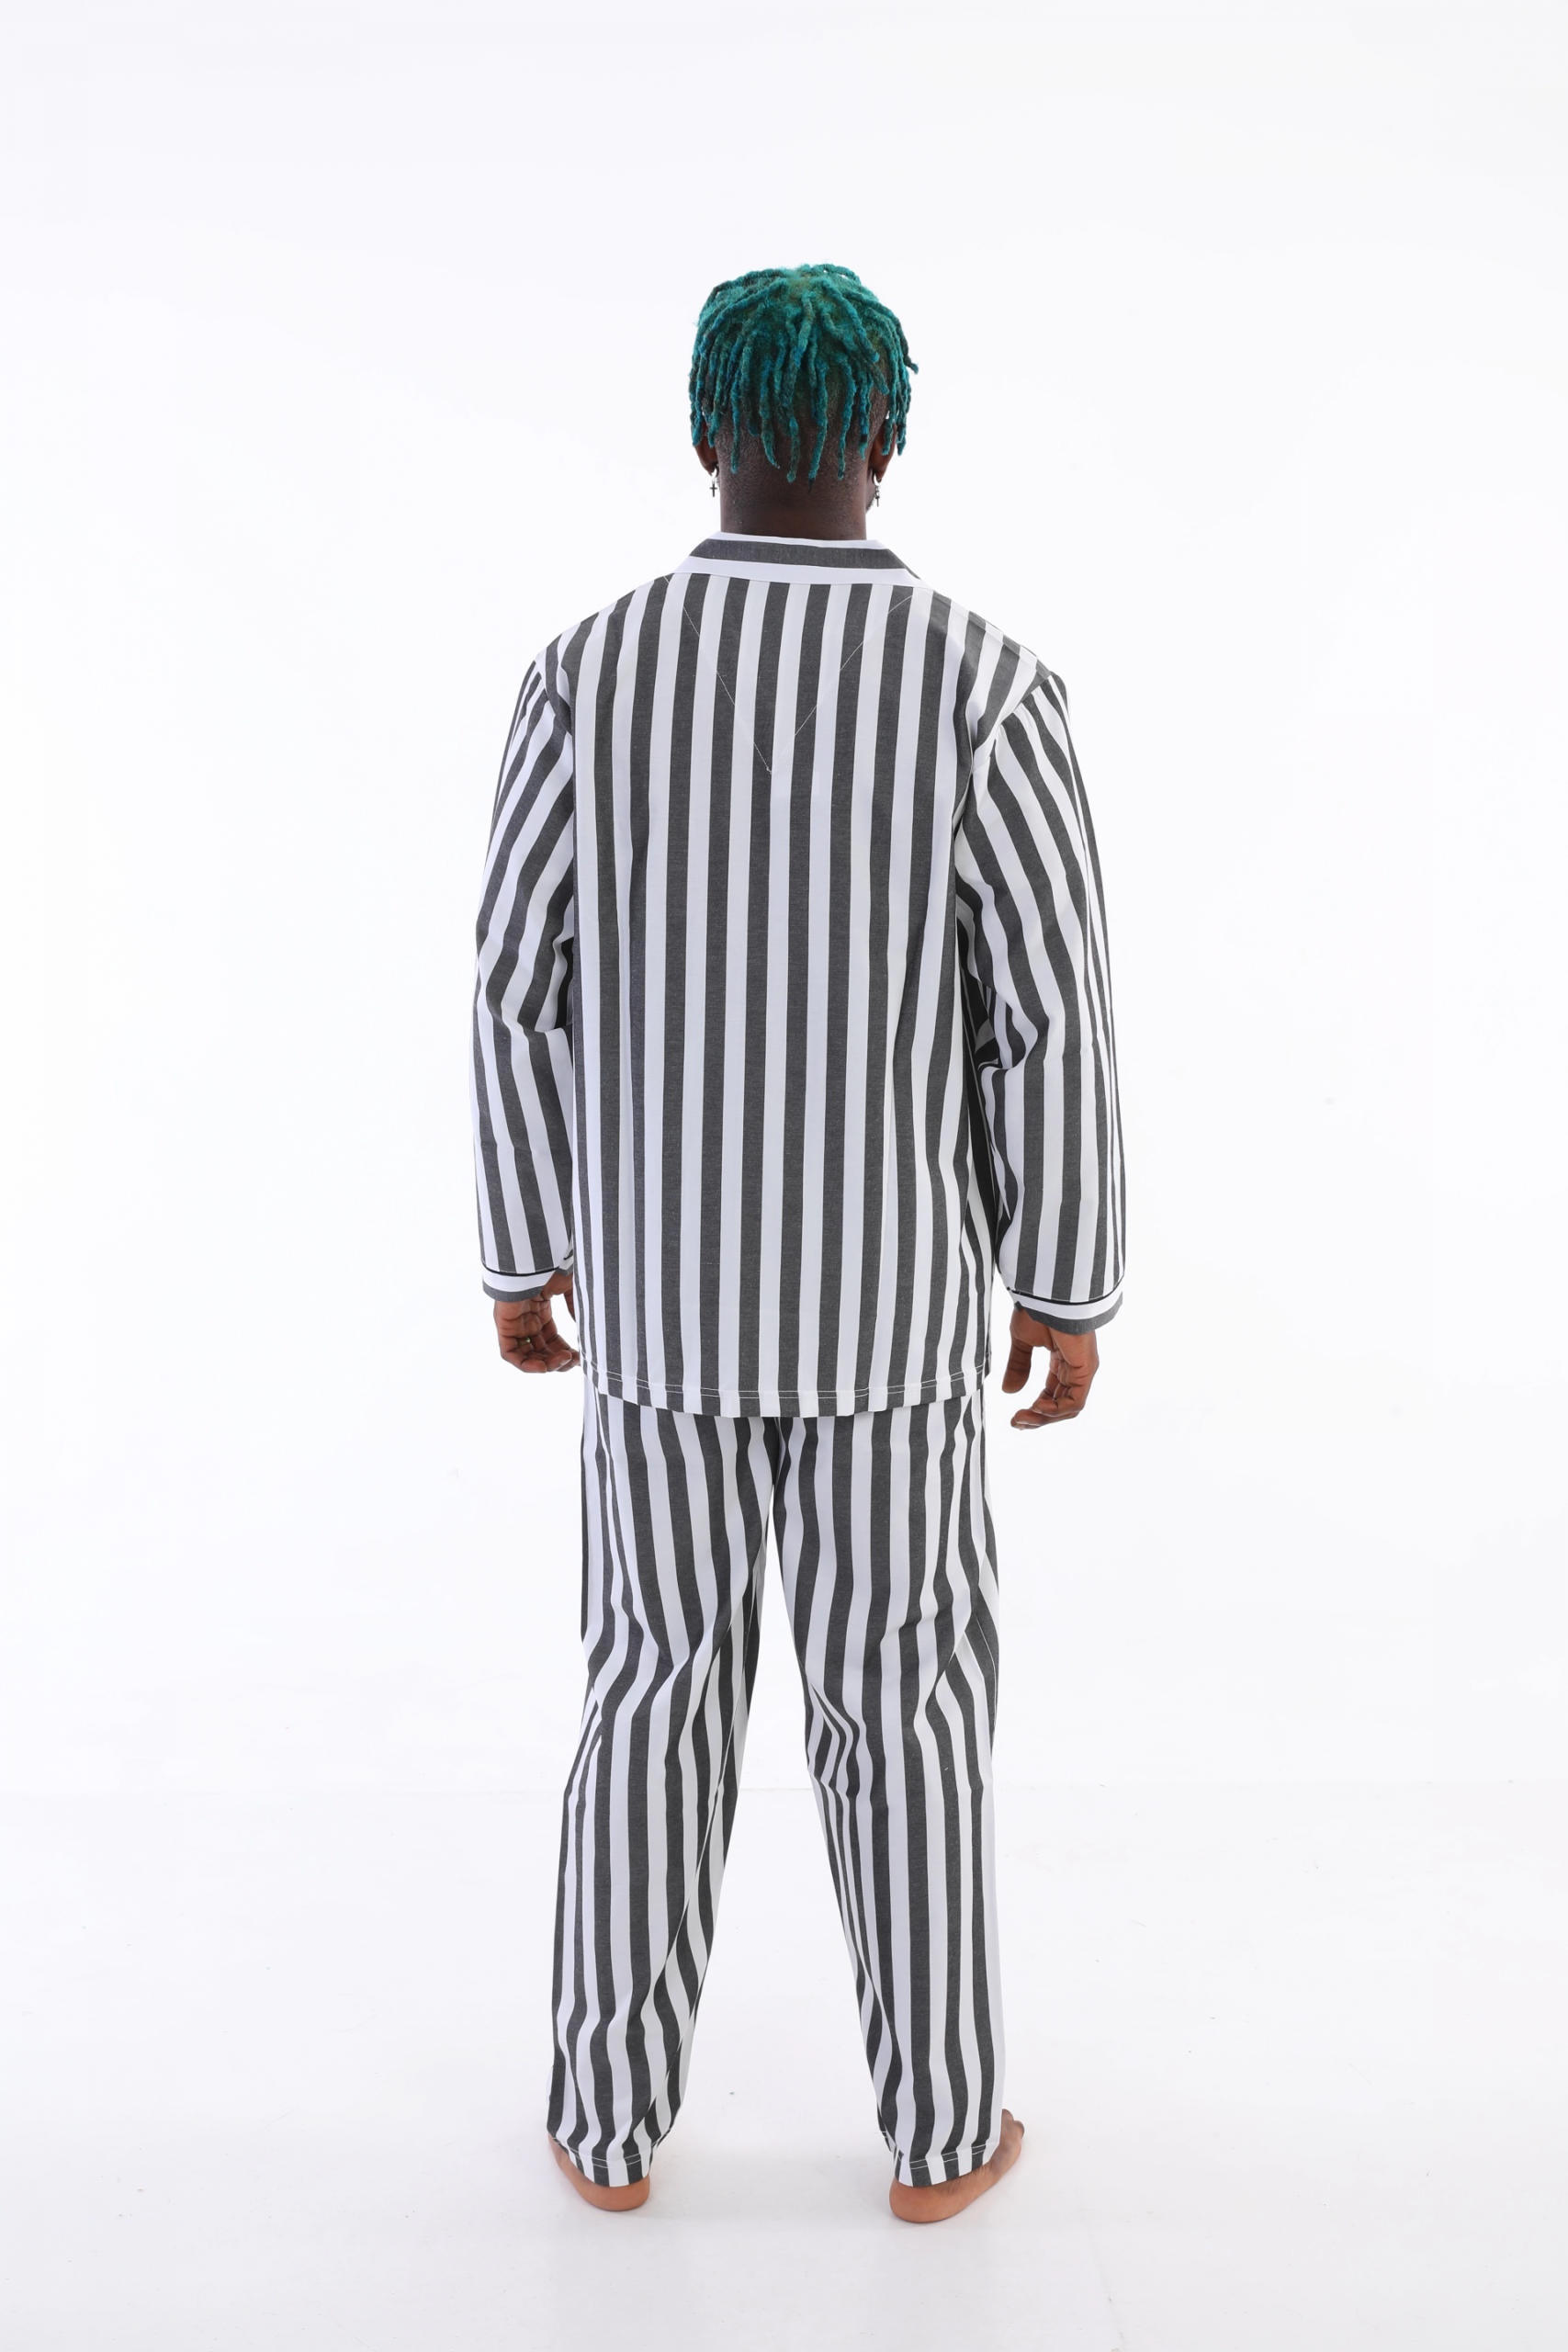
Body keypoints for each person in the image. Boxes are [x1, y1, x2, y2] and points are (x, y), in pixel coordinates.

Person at [470, 264, 1123, 2223]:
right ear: (889, 439)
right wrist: (1063, 1281)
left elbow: (518, 990)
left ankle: (604, 2130)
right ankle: (941, 2133)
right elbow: (1049, 1012)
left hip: (661, 1313)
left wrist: (526, 1248)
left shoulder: (588, 674)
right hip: (896, 1321)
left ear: (702, 432)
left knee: (647, 1694)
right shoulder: (985, 683)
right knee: (905, 1713)